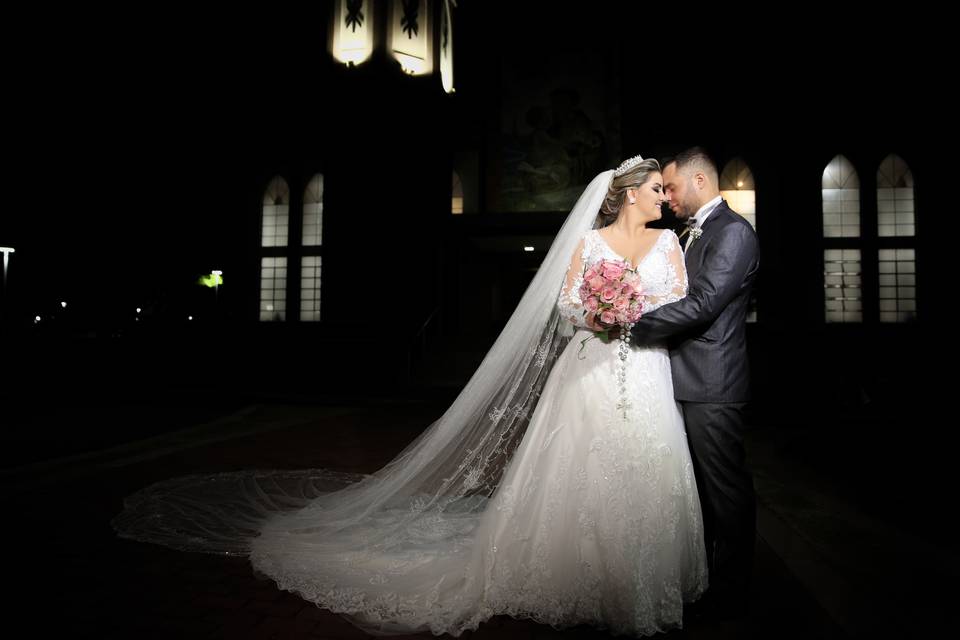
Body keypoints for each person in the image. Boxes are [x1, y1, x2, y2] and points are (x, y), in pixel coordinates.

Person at [112, 155, 707, 637]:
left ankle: (637, 581)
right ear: (630, 193)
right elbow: (566, 305)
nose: (665, 197)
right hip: (591, 369)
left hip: (649, 369)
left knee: (644, 465)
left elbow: (679, 303)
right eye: (657, 188)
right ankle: (575, 578)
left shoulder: (669, 246)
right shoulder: (590, 243)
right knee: (582, 469)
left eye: (665, 190)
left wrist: (635, 312)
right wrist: (598, 313)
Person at [629, 147, 760, 619]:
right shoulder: (691, 231)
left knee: (724, 490)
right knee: (697, 491)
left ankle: (736, 589)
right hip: (682, 378)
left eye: (673, 187)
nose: (668, 197)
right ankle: (704, 578)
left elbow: (704, 303)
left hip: (713, 383)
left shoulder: (733, 232)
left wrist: (633, 324)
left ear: (700, 180)